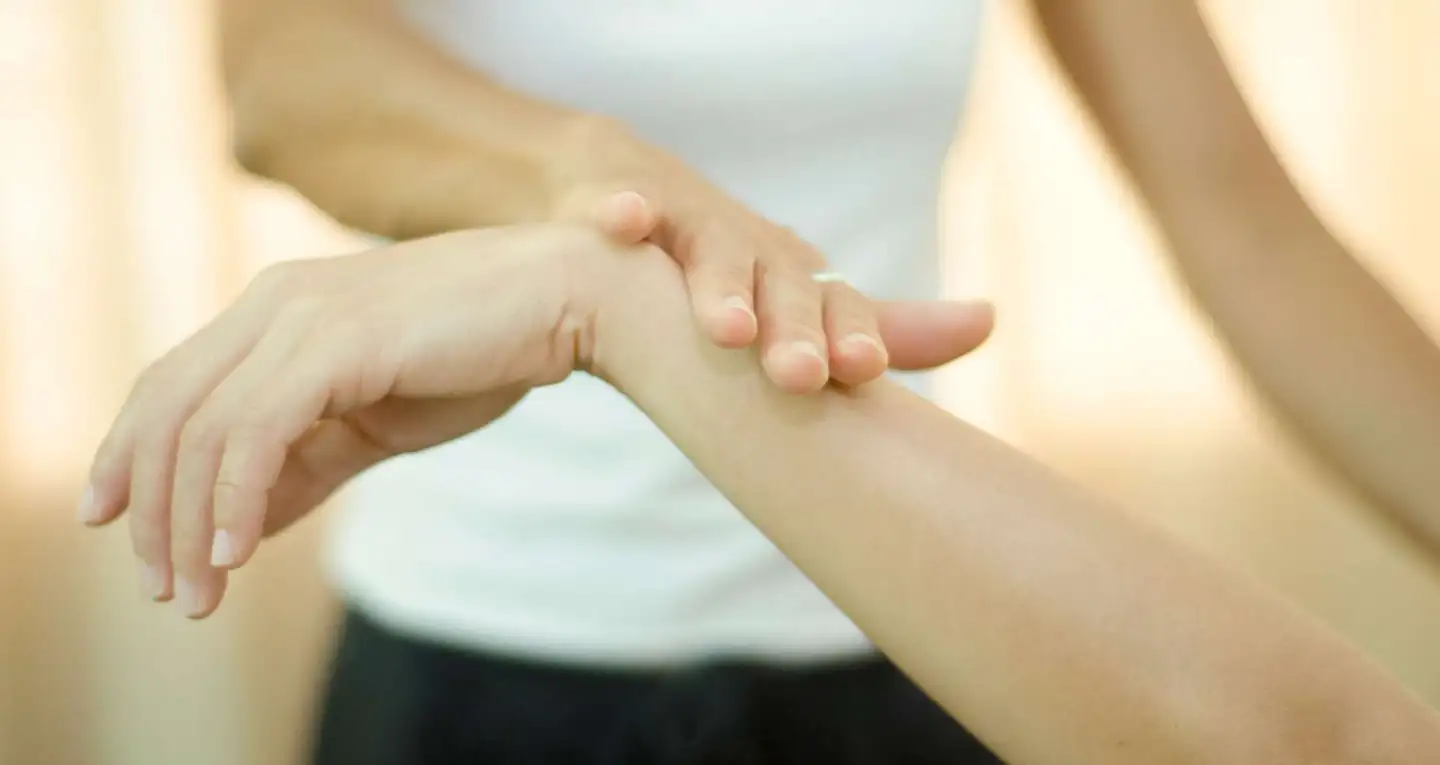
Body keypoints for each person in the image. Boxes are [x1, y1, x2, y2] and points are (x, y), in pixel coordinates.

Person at [84, 0, 1440, 761]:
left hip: (911, 641)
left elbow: (1255, 238)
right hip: (487, 677)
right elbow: (281, 66)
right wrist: (601, 196)